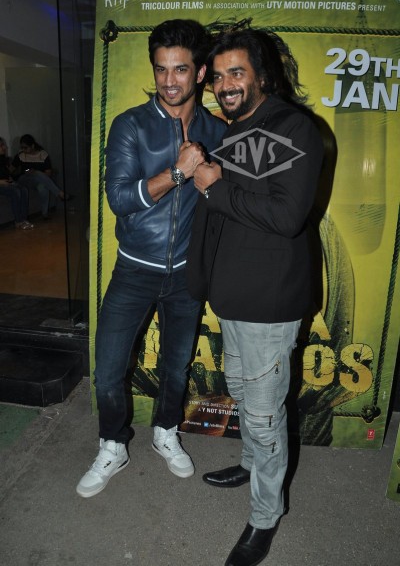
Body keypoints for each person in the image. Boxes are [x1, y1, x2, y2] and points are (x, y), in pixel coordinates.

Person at [186, 29, 324, 566]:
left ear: (262, 75)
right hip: (232, 297)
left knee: (265, 416)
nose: (225, 84)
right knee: (244, 396)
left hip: (269, 303)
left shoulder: (293, 127)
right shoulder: (232, 132)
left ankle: (265, 517)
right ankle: (249, 463)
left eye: (236, 72)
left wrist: (214, 185)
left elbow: (287, 217)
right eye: (218, 76)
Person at [76, 19, 226, 499]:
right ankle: (112, 444)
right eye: (161, 69)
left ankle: (165, 430)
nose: (169, 80)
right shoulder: (131, 124)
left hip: (186, 274)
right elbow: (119, 199)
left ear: (199, 73)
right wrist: (178, 173)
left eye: (180, 69)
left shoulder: (217, 131)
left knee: (176, 367)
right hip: (133, 269)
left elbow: (227, 201)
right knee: (108, 371)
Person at [12, 134, 69, 219]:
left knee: (42, 187)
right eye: (22, 147)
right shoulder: (20, 155)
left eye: (25, 148)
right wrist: (27, 171)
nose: (23, 150)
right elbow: (12, 170)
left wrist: (36, 172)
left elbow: (48, 173)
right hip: (24, 179)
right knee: (37, 173)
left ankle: (44, 213)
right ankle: (60, 193)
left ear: (32, 146)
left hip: (38, 180)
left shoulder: (42, 154)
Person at [0, 137, 33, 230]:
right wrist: (1, 182)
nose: (5, 147)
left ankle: (24, 219)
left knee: (24, 189)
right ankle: (18, 221)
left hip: (6, 182)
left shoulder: (3, 159)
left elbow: (7, 173)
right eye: (1, 146)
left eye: (3, 145)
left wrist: (10, 179)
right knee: (15, 191)